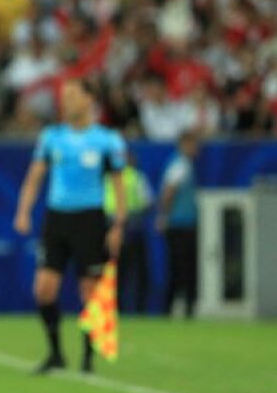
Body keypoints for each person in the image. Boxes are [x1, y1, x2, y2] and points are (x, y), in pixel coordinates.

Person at [14, 77, 127, 374]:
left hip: (90, 219)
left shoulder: (107, 140)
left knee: (89, 291)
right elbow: (35, 176)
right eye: (64, 96)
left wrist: (118, 225)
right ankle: (55, 353)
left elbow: (118, 185)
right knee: (44, 289)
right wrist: (23, 211)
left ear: (89, 99)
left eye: (73, 95)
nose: (66, 101)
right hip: (57, 218)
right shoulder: (52, 137)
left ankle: (88, 358)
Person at [157, 131, 200, 318]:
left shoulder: (184, 164)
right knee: (181, 268)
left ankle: (181, 308)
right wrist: (164, 216)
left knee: (183, 268)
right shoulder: (179, 165)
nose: (197, 149)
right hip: (179, 225)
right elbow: (168, 192)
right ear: (184, 144)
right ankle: (174, 309)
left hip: (183, 224)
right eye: (194, 144)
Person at [104, 150, 153, 313]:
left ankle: (114, 308)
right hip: (132, 229)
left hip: (110, 228)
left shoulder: (107, 178)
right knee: (138, 272)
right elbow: (147, 202)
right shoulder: (137, 177)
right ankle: (139, 309)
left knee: (114, 271)